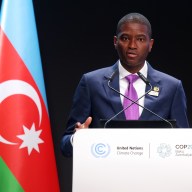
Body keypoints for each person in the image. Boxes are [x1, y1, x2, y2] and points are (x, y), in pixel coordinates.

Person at [61, 12, 189, 157]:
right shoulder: (91, 83)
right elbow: (65, 146)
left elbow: (185, 147)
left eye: (140, 39)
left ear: (150, 44)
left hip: (153, 176)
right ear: (115, 42)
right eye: (125, 38)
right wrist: (78, 139)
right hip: (106, 175)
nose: (132, 45)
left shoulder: (172, 87)